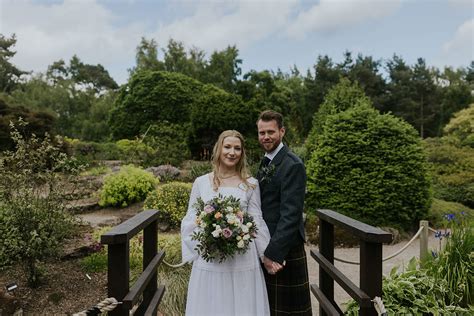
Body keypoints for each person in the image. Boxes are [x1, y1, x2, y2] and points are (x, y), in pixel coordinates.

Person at [181, 130, 271, 316]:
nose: (232, 152)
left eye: (237, 148)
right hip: (211, 257)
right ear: (219, 149)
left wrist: (266, 255)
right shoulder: (201, 183)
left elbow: (256, 220)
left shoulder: (251, 184)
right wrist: (204, 238)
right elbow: (191, 218)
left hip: (242, 257)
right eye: (227, 147)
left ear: (242, 153)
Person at [256, 110, 312, 315]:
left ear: (282, 131)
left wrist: (272, 253)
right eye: (262, 133)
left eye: (271, 132)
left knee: (290, 311)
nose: (266, 137)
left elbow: (291, 214)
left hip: (284, 247)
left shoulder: (292, 164)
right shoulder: (266, 161)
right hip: (268, 242)